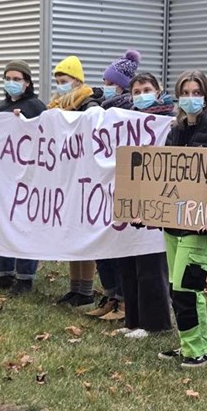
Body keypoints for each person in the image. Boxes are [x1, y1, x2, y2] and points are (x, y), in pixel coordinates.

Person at [157, 70, 207, 366]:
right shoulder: (174, 132)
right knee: (175, 286)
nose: (191, 98)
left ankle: (198, 352)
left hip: (199, 225)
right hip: (172, 223)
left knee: (187, 288)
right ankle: (190, 343)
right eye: (185, 93)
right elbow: (162, 176)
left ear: (206, 96)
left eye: (196, 92)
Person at [111, 71, 175, 337]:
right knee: (128, 262)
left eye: (146, 90)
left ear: (158, 91)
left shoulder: (169, 121)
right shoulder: (122, 120)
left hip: (156, 199)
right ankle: (133, 321)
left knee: (150, 263)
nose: (141, 96)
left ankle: (155, 322)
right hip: (129, 195)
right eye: (136, 92)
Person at [87, 50, 141, 319]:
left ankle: (122, 299)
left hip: (122, 185)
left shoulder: (134, 113)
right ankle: (109, 294)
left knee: (119, 244)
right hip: (101, 186)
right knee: (102, 243)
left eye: (110, 83)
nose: (105, 87)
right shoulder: (100, 111)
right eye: (105, 83)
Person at [0, 60, 46, 295]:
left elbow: (45, 134)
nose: (12, 83)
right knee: (1, 223)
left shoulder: (35, 106)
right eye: (8, 78)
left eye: (17, 79)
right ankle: (4, 273)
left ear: (27, 82)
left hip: (28, 177)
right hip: (3, 176)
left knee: (23, 225)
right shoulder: (0, 107)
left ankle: (25, 277)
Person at [48, 55, 101, 306]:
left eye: (64, 80)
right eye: (57, 80)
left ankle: (87, 291)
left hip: (85, 178)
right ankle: (75, 287)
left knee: (84, 234)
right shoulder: (56, 106)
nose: (60, 85)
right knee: (71, 233)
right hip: (66, 177)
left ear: (77, 81)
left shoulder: (88, 104)